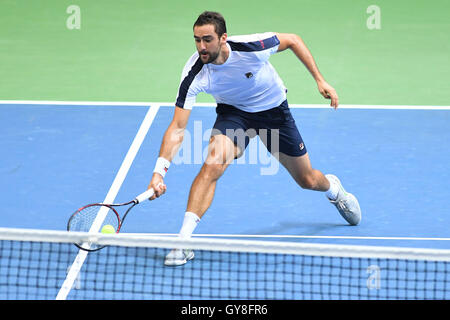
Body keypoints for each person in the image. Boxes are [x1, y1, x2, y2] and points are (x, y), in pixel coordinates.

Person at [147, 11, 361, 266]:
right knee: (212, 164)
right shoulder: (195, 72)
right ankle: (183, 242)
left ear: (223, 38)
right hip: (235, 115)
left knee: (307, 180)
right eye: (196, 40)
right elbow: (177, 127)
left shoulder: (250, 47)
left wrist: (320, 80)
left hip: (273, 112)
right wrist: (160, 171)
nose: (201, 47)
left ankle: (334, 189)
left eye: (207, 39)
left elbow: (293, 39)